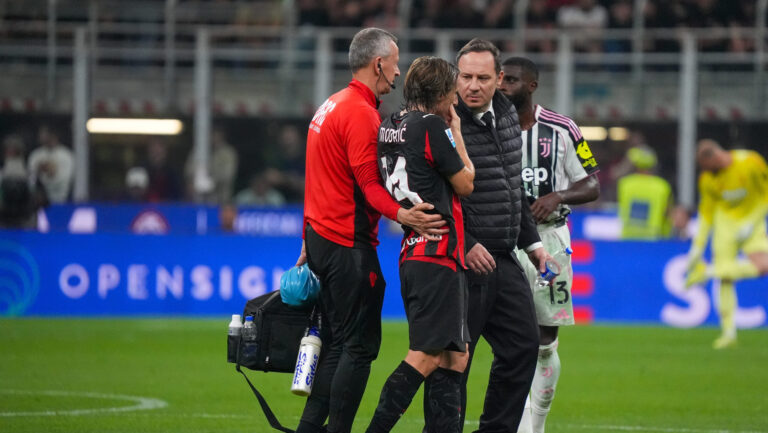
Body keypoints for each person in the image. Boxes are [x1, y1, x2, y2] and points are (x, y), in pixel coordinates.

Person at [294, 28, 448, 433]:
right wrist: (405, 214)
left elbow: (316, 179)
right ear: (378, 63)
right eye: (395, 64)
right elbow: (369, 185)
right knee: (359, 348)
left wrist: (308, 236)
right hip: (347, 244)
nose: (398, 74)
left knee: (337, 344)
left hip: (321, 237)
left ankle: (311, 428)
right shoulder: (361, 114)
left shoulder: (329, 106)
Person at [422, 38, 551, 433]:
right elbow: (430, 193)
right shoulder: (440, 121)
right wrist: (466, 243)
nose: (472, 86)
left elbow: (514, 184)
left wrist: (532, 241)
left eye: (482, 78)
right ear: (454, 77)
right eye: (464, 77)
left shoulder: (508, 113)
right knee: (454, 359)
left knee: (523, 346)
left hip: (504, 254)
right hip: (461, 259)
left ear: (499, 80)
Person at [366, 56, 475, 433]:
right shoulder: (431, 125)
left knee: (455, 357)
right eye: (452, 92)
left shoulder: (389, 126)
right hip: (438, 254)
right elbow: (466, 183)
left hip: (414, 251)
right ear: (441, 93)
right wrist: (456, 132)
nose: (456, 101)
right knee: (426, 356)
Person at [499, 57, 600, 433]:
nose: (503, 86)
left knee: (544, 341)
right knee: (501, 338)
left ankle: (535, 426)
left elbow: (592, 184)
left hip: (550, 240)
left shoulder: (561, 128)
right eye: (501, 80)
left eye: (511, 80)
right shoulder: (487, 126)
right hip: (502, 242)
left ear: (532, 85)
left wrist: (557, 196)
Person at [684, 139, 768, 349]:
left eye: (709, 167)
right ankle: (728, 333)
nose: (708, 173)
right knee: (727, 279)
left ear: (717, 157)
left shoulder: (751, 162)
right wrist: (698, 246)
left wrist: (755, 220)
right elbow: (707, 213)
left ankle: (708, 272)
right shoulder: (707, 179)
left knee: (764, 266)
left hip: (752, 224)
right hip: (725, 228)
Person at [616, 145, 673, 240]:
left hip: (628, 237)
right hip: (652, 238)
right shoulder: (662, 186)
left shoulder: (625, 184)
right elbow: (667, 214)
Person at [27, 125, 74, 203]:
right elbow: (30, 180)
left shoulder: (66, 155)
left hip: (61, 200)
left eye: (44, 134)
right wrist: (39, 171)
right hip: (39, 202)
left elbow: (67, 180)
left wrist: (52, 173)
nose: (41, 136)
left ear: (52, 135)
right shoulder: (35, 155)